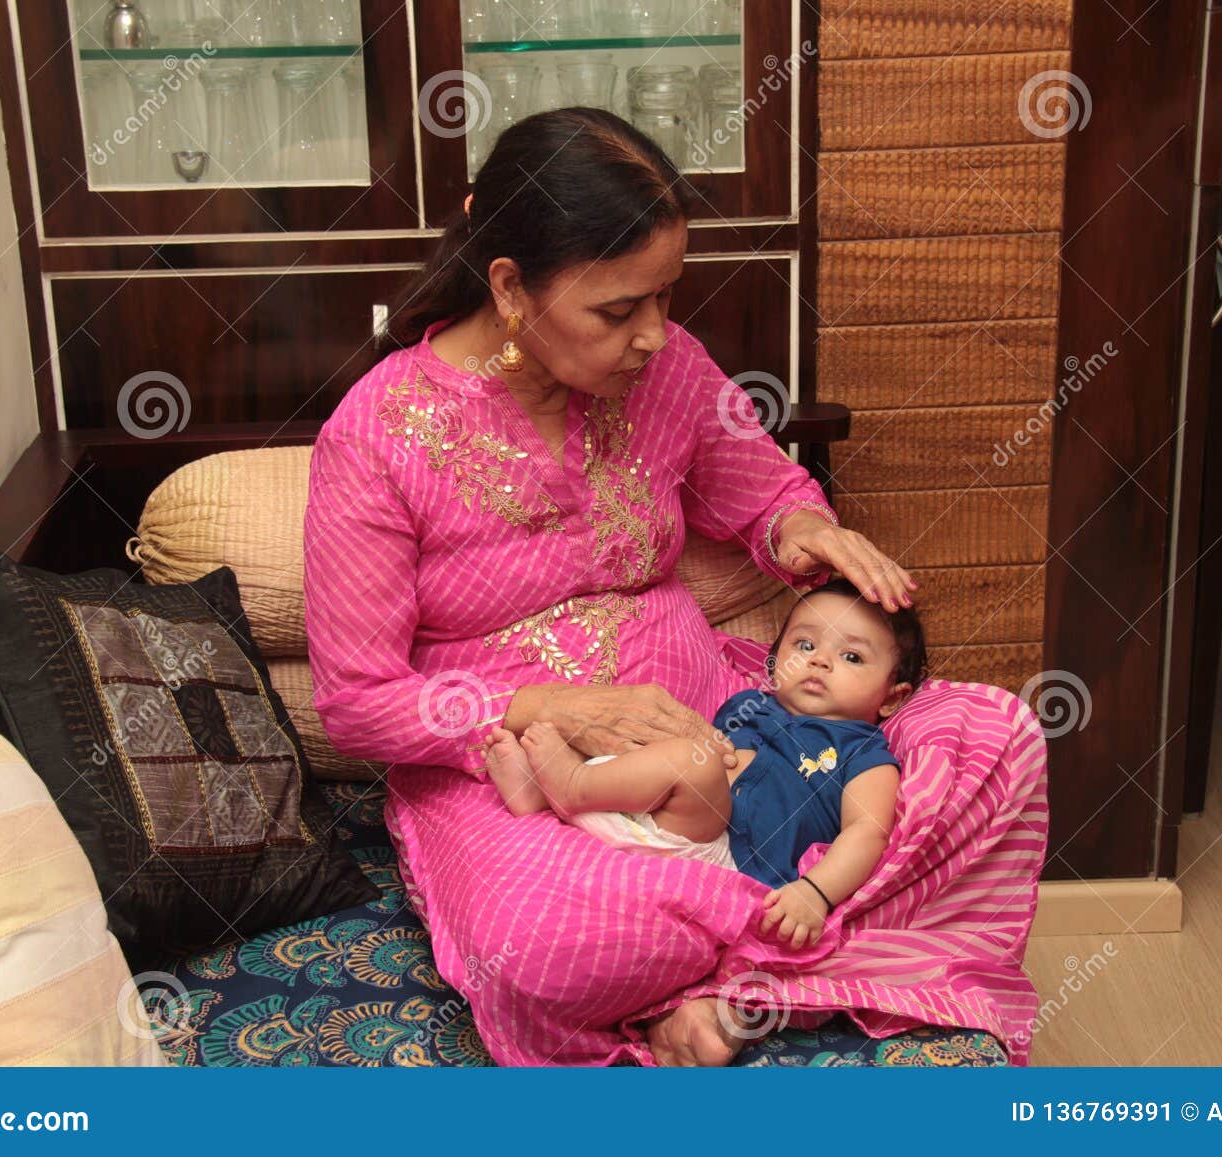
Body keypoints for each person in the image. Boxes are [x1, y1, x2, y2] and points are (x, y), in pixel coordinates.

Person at [305, 106, 937, 1067]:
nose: (654, 336)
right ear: (511, 287)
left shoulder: (669, 368)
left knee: (987, 745)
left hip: (731, 731)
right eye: (617, 311)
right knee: (550, 949)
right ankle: (765, 969)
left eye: (665, 299)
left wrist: (810, 532)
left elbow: (764, 490)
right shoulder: (377, 434)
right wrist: (554, 708)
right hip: (521, 780)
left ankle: (730, 983)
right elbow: (355, 702)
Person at [484, 581, 925, 952]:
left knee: (693, 765)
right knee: (660, 743)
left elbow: (867, 832)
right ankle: (542, 798)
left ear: (891, 696)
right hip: (661, 817)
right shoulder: (749, 706)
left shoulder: (863, 752)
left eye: (852, 657)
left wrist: (816, 892)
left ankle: (574, 785)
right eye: (805, 644)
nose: (819, 660)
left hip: (729, 855)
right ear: (774, 663)